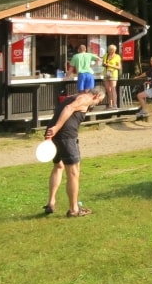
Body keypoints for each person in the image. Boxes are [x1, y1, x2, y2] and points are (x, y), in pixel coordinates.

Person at [43, 86, 106, 217]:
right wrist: (56, 128)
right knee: (73, 172)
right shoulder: (85, 99)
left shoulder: (75, 96)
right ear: (96, 96)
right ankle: (74, 209)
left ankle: (51, 203)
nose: (98, 104)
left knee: (58, 166)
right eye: (99, 101)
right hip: (65, 136)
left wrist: (52, 131)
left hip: (55, 134)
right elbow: (68, 108)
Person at [102, 44, 121, 108]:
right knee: (108, 89)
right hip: (106, 73)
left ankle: (115, 104)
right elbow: (103, 64)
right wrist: (104, 64)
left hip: (113, 73)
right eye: (111, 50)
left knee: (113, 88)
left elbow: (119, 67)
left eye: (114, 50)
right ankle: (110, 104)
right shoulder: (105, 55)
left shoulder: (117, 56)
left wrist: (109, 65)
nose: (113, 51)